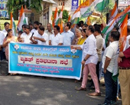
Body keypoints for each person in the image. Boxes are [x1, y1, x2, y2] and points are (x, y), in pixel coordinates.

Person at [72, 25, 101, 96]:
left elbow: (90, 51)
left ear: (89, 30)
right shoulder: (88, 38)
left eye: (86, 29)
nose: (85, 31)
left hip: (91, 59)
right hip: (88, 60)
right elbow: (82, 47)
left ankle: (97, 91)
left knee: (93, 75)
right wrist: (74, 47)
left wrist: (84, 60)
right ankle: (83, 86)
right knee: (85, 73)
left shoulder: (91, 39)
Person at [99, 31, 120, 105]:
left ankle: (107, 102)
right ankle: (113, 100)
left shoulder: (111, 47)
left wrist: (105, 69)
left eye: (109, 36)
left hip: (109, 69)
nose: (108, 37)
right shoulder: (119, 45)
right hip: (115, 68)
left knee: (108, 86)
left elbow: (108, 59)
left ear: (112, 37)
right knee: (114, 85)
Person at [118, 26, 130, 105]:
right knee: (125, 90)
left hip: (126, 70)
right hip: (125, 70)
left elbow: (122, 54)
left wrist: (119, 55)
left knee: (125, 90)